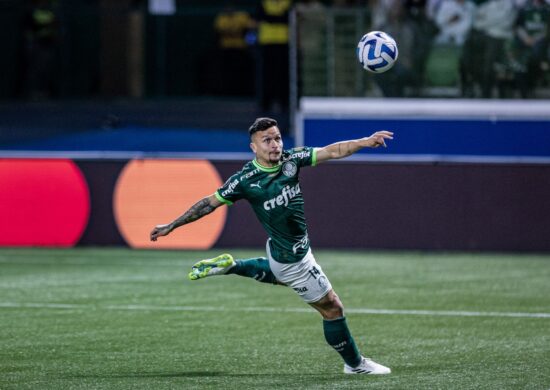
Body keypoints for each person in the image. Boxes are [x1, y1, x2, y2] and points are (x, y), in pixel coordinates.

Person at [150, 117, 393, 375]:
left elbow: (333, 150)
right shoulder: (245, 180)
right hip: (294, 259)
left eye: (277, 138)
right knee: (332, 308)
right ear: (254, 148)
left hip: (280, 250)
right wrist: (172, 225)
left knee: (285, 277)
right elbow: (208, 203)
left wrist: (365, 142)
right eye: (267, 140)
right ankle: (355, 364)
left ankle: (233, 266)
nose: (275, 144)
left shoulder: (292, 159)